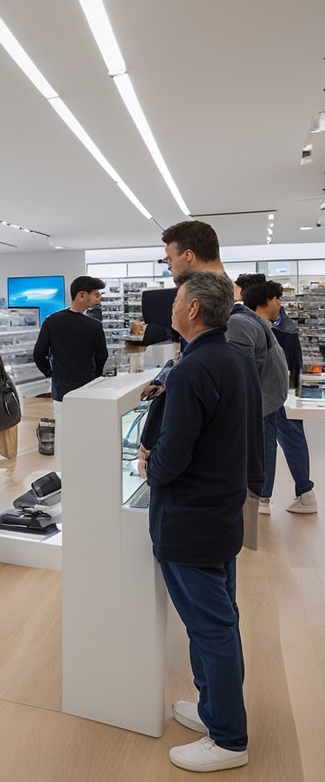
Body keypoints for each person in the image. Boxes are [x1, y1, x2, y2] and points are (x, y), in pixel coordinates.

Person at [138, 270, 260, 772]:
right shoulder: (231, 358)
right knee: (218, 621)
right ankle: (214, 712)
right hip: (220, 510)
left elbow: (174, 455)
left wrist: (150, 462)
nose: (171, 304)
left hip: (190, 517)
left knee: (210, 627)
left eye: (177, 298)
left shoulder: (191, 370)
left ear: (192, 310)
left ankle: (230, 738)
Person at [157, 220, 277, 534]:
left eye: (170, 259)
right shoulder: (228, 308)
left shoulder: (230, 319)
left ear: (189, 256)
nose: (168, 267)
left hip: (213, 489)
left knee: (211, 570)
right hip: (216, 481)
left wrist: (251, 479)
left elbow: (243, 398)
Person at [242, 278, 317, 514]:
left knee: (271, 442)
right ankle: (303, 493)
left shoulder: (274, 327)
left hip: (275, 394)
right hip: (280, 393)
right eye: (278, 299)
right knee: (285, 440)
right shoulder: (274, 326)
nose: (281, 304)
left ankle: (266, 497)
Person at [32, 275, 109, 401]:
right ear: (82, 295)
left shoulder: (51, 321)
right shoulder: (95, 326)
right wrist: (95, 376)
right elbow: (102, 356)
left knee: (62, 420)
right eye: (96, 294)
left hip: (60, 391)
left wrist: (50, 373)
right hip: (87, 389)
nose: (99, 299)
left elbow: (38, 354)